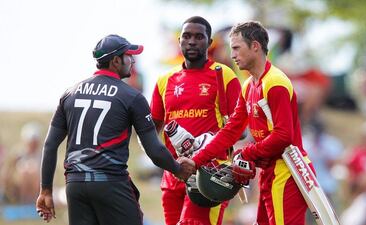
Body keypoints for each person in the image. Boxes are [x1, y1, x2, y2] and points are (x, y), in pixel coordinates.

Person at [35, 34, 195, 225]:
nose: (132, 61)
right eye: (129, 56)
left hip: (75, 185)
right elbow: (154, 149)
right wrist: (178, 168)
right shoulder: (132, 97)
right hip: (110, 184)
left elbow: (50, 145)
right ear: (116, 61)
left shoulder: (70, 94)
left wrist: (45, 190)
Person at [189, 21, 314, 225]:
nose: (232, 55)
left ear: (255, 46)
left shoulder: (275, 83)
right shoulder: (248, 86)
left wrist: (247, 153)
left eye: (237, 48)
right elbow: (231, 130)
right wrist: (197, 160)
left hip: (287, 171)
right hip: (268, 172)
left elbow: (284, 136)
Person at [150, 16, 241, 225]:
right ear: (180, 40)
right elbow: (150, 129)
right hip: (173, 174)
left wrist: (207, 143)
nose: (192, 41)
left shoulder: (224, 75)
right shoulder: (165, 80)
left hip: (207, 176)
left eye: (199, 37)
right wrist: (161, 159)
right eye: (187, 36)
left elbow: (240, 129)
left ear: (209, 43)